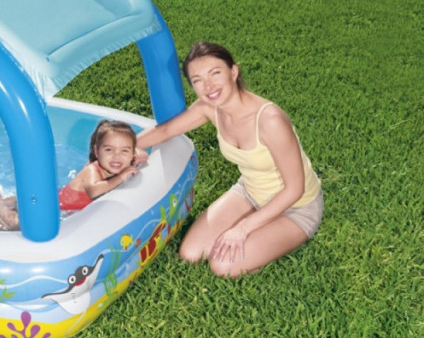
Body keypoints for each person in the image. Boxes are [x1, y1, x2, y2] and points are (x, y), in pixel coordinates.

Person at [135, 42, 323, 277]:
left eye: (215, 73)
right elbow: (165, 131)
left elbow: (295, 189)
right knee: (190, 253)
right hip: (250, 193)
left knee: (222, 266)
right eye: (198, 80)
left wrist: (242, 228)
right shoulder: (209, 107)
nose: (209, 86)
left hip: (296, 208)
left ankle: (267, 235)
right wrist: (124, 149)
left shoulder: (269, 120)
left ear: (233, 72)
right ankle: (257, 229)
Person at [59, 119, 141, 211]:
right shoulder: (91, 170)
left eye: (125, 151)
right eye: (109, 150)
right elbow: (94, 191)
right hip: (60, 208)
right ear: (97, 151)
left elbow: (141, 156)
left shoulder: (125, 163)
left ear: (133, 154)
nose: (117, 156)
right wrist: (121, 177)